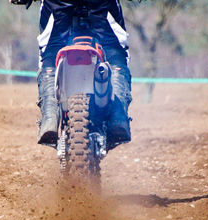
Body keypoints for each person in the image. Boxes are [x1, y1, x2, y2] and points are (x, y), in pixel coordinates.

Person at [10, 0, 136, 147]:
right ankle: (117, 117)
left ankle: (50, 118)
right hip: (100, 4)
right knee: (116, 53)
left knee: (50, 54)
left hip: (57, 4)